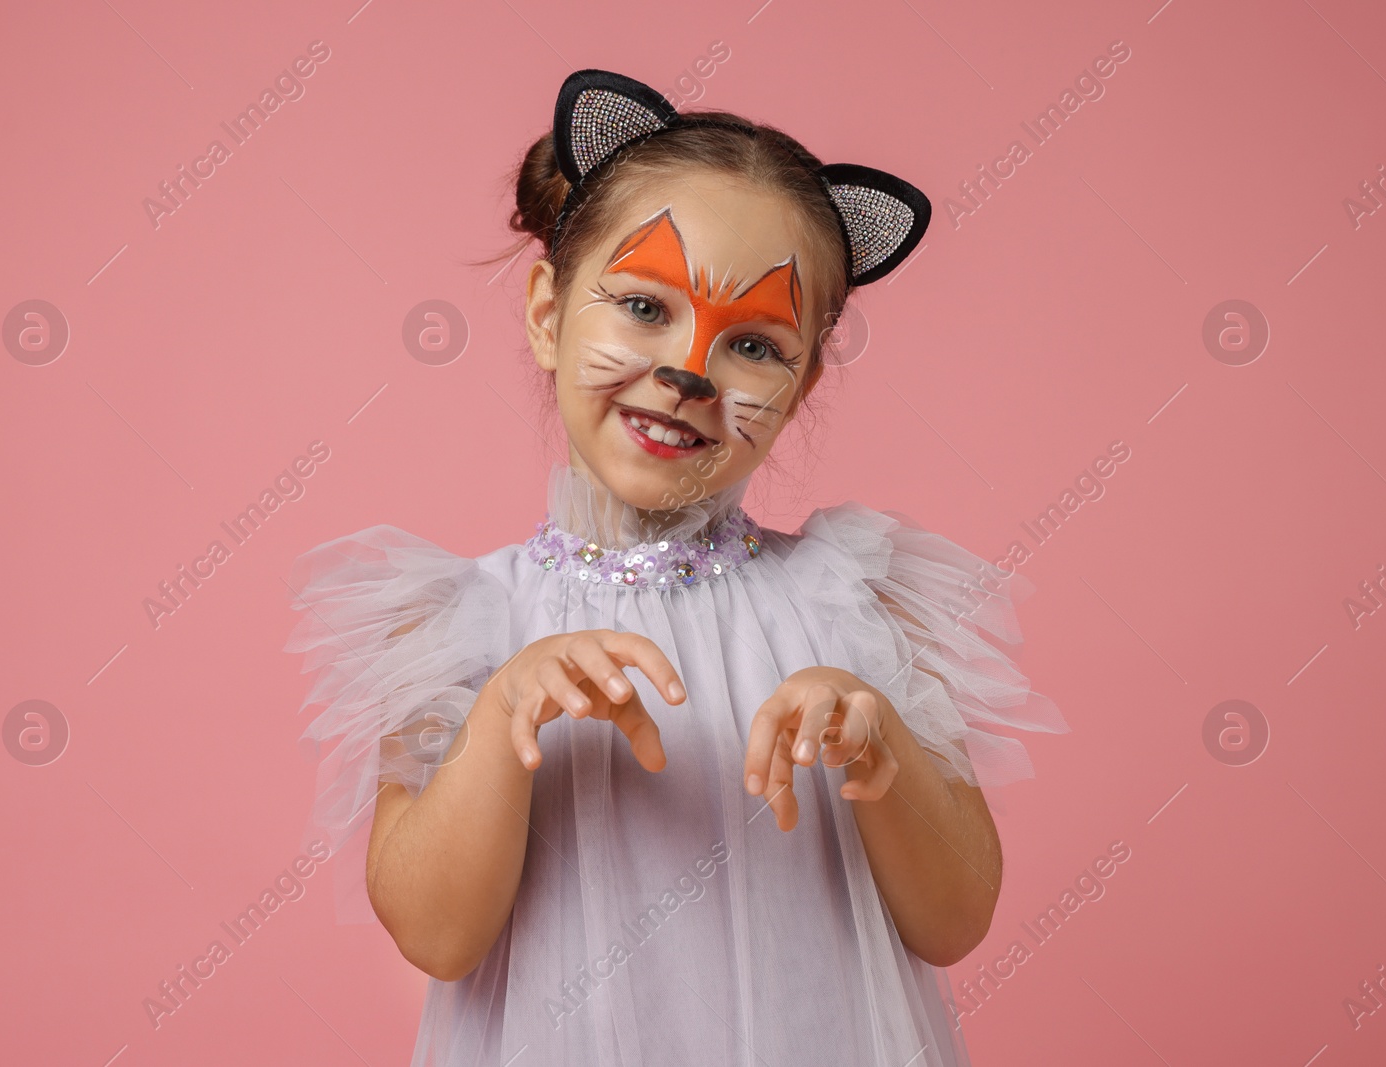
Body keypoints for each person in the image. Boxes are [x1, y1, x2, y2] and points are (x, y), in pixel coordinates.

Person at [285, 68, 1068, 1066]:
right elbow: (437, 933)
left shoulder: (856, 602)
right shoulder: (462, 621)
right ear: (545, 311)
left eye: (752, 342)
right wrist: (500, 715)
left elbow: (954, 917)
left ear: (803, 381)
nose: (689, 370)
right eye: (644, 308)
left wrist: (880, 746)